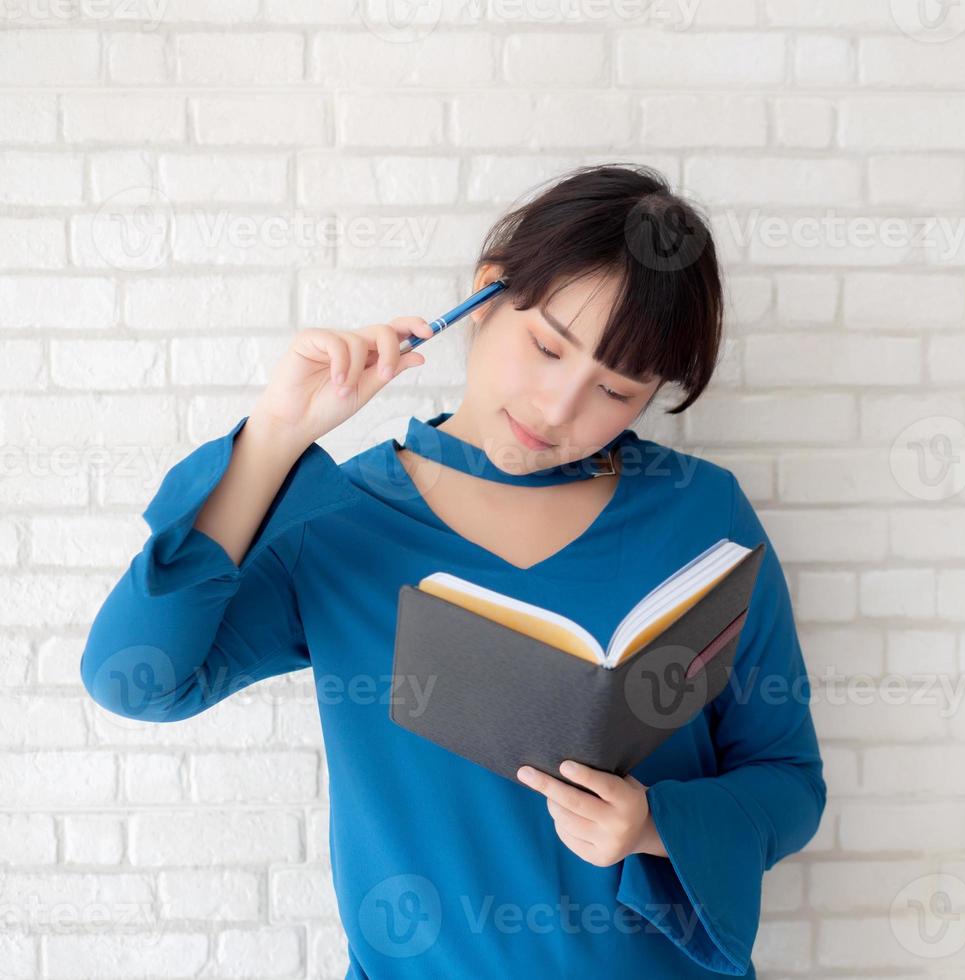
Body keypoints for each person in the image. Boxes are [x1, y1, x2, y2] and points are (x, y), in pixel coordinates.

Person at [80, 164, 826, 978]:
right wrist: (274, 439)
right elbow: (136, 681)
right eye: (545, 346)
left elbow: (787, 784)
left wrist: (652, 824)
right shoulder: (339, 518)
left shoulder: (701, 514)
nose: (557, 408)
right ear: (487, 292)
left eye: (613, 391)